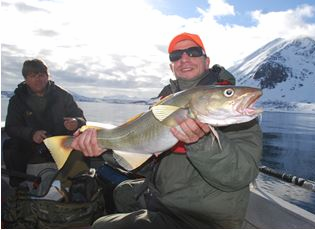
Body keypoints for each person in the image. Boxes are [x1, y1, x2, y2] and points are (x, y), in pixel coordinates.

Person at [71, 32, 263, 228]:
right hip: (163, 202)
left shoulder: (234, 117)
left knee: (101, 227)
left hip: (201, 220)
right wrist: (104, 148)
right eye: (175, 56)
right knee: (122, 192)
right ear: (172, 66)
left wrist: (201, 142)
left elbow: (241, 175)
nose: (184, 58)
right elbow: (148, 160)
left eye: (193, 52)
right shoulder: (164, 103)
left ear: (207, 62)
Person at [4, 59, 86, 187]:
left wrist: (76, 122)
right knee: (10, 146)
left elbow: (81, 119)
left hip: (60, 141)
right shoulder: (17, 99)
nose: (38, 79)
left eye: (41, 75)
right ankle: (18, 186)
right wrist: (31, 134)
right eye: (33, 76)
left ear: (47, 76)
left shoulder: (63, 96)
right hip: (31, 143)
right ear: (26, 79)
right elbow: (11, 127)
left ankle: (78, 185)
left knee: (82, 144)